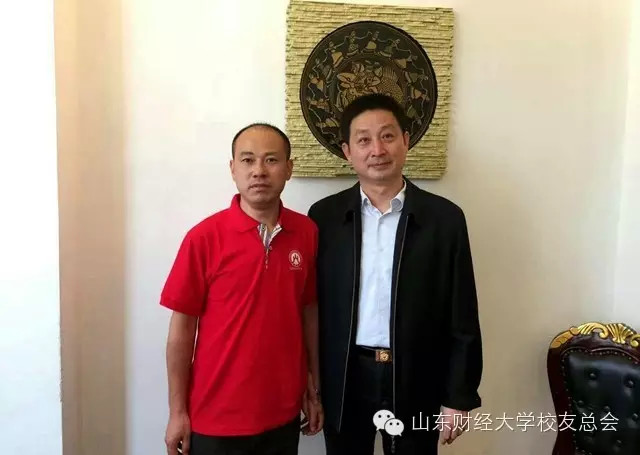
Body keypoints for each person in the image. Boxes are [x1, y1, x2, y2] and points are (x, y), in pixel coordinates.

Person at [308, 94, 482, 455]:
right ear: (347, 151)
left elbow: (462, 313)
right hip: (345, 375)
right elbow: (311, 308)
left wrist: (459, 395)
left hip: (417, 373)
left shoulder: (444, 219)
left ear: (405, 140)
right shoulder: (324, 217)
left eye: (387, 136)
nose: (377, 150)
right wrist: (311, 384)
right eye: (364, 140)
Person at [160, 123, 323, 455]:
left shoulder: (306, 232)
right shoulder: (203, 238)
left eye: (271, 160)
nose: (259, 171)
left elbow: (308, 313)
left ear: (289, 169)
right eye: (248, 160)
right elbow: (181, 332)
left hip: (282, 414)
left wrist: (313, 387)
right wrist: (177, 412)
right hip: (215, 417)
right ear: (233, 169)